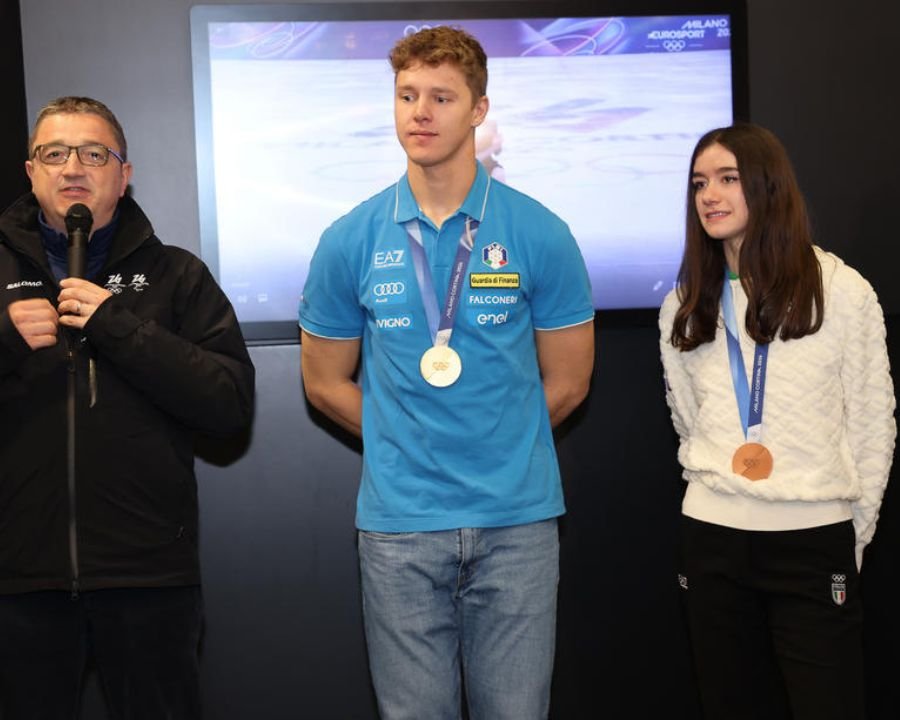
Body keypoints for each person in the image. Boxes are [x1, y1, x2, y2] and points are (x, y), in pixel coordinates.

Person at [299, 26, 594, 720]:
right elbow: (323, 381)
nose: (420, 113)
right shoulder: (350, 238)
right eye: (407, 95)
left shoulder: (539, 231)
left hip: (516, 525)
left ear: (479, 110)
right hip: (399, 527)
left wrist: (495, 439)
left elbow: (572, 379)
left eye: (440, 96)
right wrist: (408, 443)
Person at [0, 96, 255, 719]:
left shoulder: (177, 277)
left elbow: (229, 405)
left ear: (124, 172)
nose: (72, 167)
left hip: (148, 578)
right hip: (16, 579)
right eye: (53, 153)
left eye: (94, 153)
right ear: (30, 171)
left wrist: (120, 328)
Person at [659, 123, 895, 720]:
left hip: (814, 540)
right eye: (699, 183)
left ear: (766, 186)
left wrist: (851, 536)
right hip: (712, 538)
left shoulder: (841, 291)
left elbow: (872, 426)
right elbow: (690, 423)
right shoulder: (685, 303)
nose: (709, 195)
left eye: (728, 179)